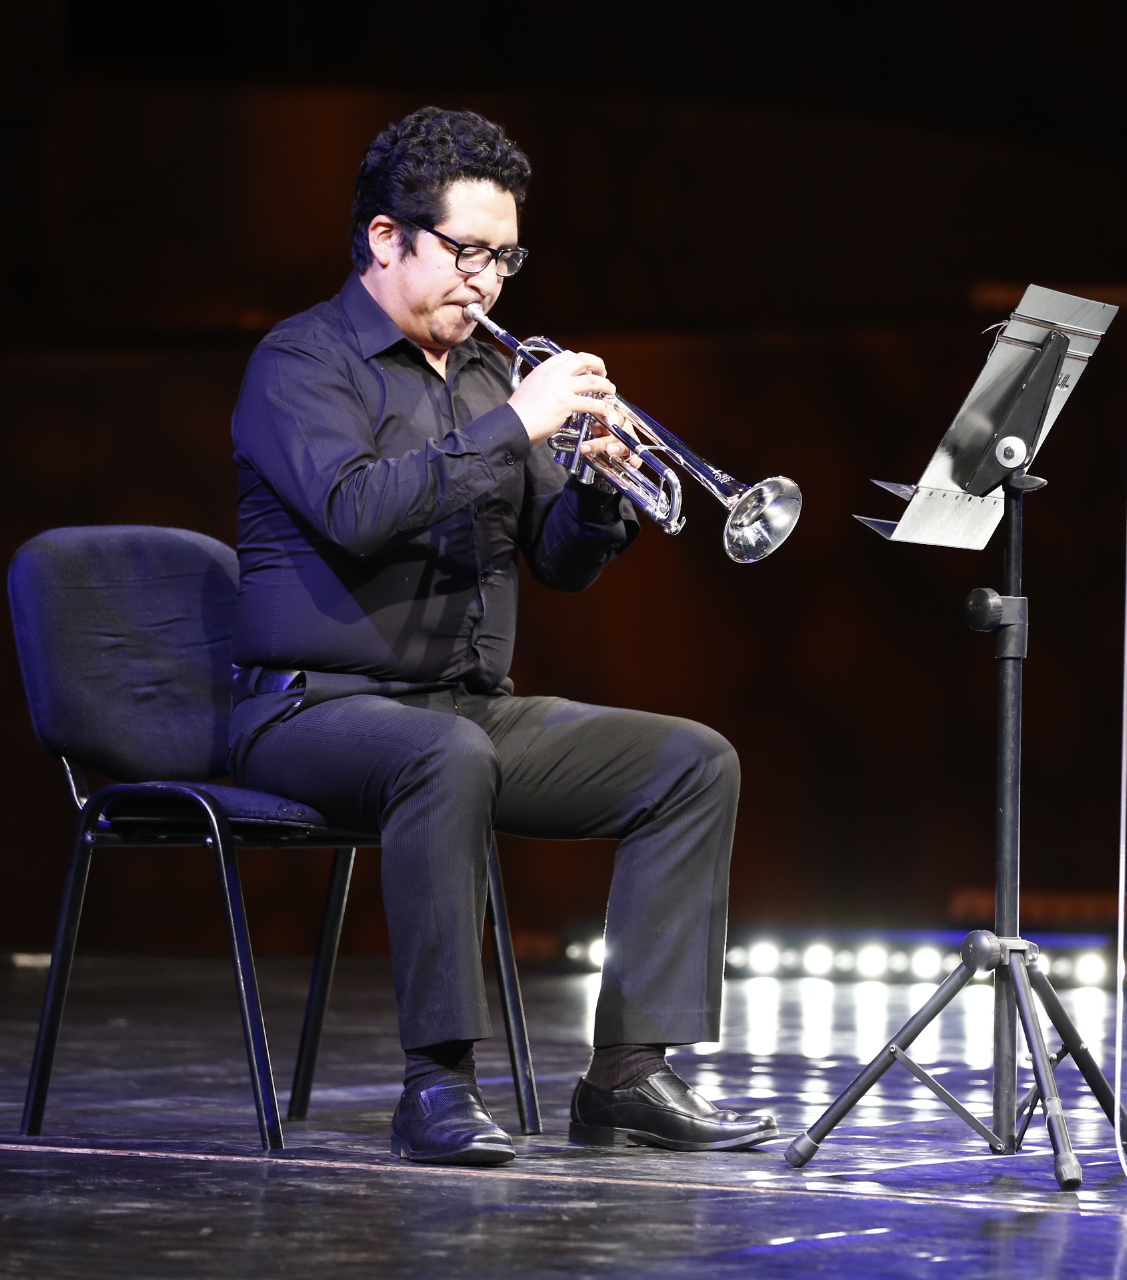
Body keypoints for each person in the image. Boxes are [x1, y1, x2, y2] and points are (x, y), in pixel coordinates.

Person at [226, 106, 776, 1165]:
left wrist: (598, 483)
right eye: (466, 251)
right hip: (310, 705)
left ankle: (628, 1074)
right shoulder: (301, 361)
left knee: (691, 762)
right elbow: (354, 507)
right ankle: (436, 1083)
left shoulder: (485, 377)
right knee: (446, 755)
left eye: (504, 257)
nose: (485, 281)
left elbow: (559, 562)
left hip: (465, 708)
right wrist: (516, 427)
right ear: (387, 238)